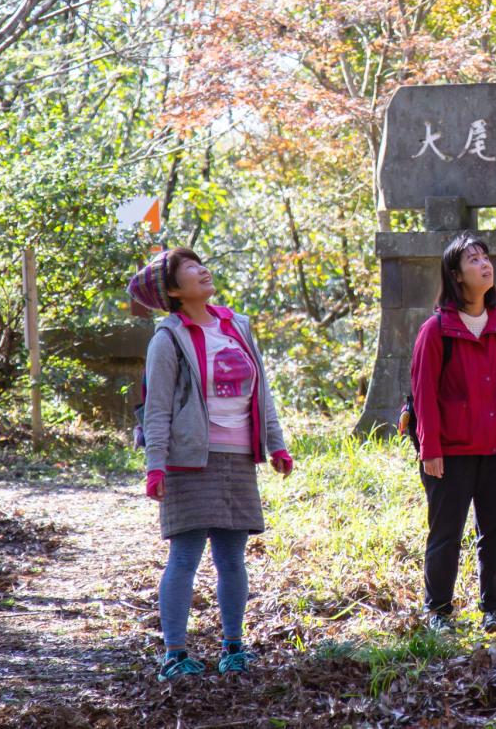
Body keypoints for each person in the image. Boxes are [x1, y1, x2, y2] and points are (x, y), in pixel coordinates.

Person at [131, 247, 293, 681]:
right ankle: (174, 654)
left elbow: (263, 393)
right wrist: (156, 466)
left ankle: (234, 647)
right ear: (172, 290)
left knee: (233, 558)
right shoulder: (167, 338)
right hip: (189, 460)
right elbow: (157, 407)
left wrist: (275, 445)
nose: (202, 271)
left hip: (238, 456)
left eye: (200, 264)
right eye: (189, 268)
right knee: (185, 556)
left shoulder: (236, 325)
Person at [410, 232, 496, 633]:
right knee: (446, 532)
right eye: (473, 260)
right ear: (456, 275)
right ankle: (438, 612)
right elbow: (423, 393)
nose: (485, 265)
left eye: (486, 258)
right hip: (451, 451)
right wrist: (430, 448)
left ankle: (495, 610)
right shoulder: (437, 329)